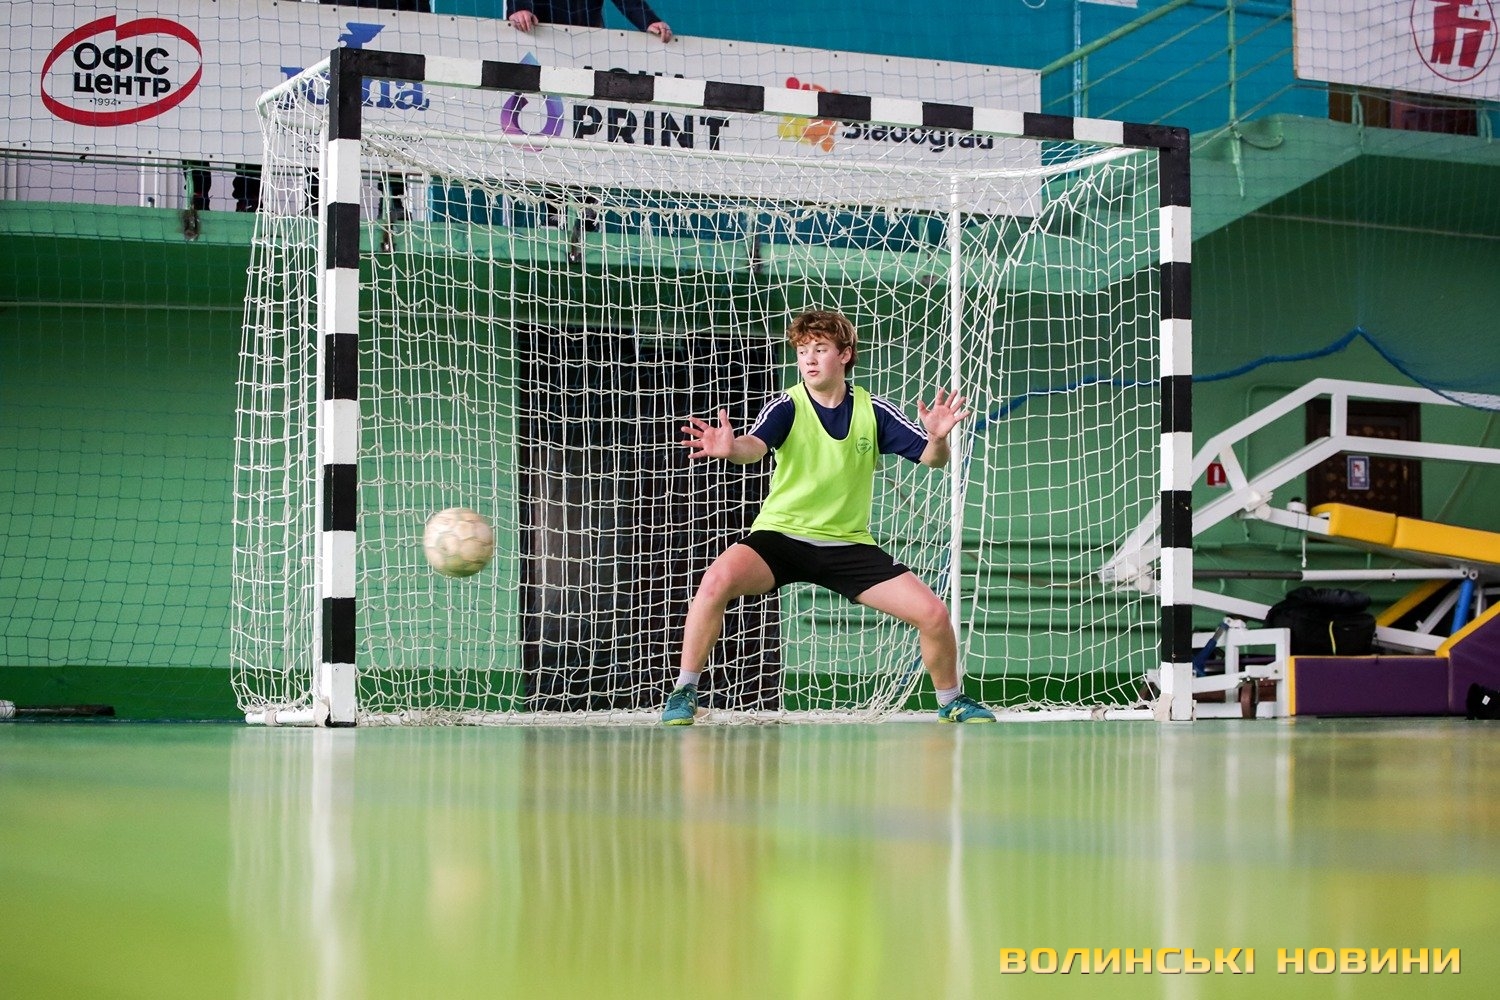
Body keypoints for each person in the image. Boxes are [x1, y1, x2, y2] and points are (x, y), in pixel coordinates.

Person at [662, 310, 996, 726]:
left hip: (848, 544)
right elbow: (754, 446)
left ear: (845, 355)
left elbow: (932, 459)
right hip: (782, 538)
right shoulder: (787, 405)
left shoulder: (874, 410)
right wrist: (731, 449)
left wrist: (938, 437)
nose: (809, 358)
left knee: (934, 615)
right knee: (715, 582)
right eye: (803, 351)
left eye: (820, 349)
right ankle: (684, 691)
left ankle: (951, 701)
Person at [507, 0, 673, 43]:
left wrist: (649, 21)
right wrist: (519, 9)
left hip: (588, 46)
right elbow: (518, 9)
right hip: (538, 39)